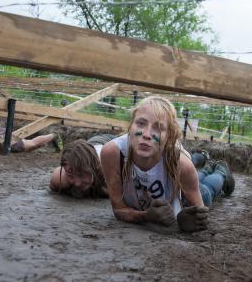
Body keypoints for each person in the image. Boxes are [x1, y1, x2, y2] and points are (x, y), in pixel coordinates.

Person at [100, 96, 235, 233]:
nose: (146, 134)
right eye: (141, 123)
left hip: (183, 196)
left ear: (169, 137)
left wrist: (184, 222)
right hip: (177, 181)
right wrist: (147, 216)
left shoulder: (181, 164)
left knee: (207, 191)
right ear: (130, 126)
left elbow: (198, 218)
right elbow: (118, 209)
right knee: (198, 176)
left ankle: (221, 171)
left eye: (158, 128)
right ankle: (206, 167)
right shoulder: (113, 153)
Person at [49, 135, 115, 199]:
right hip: (89, 147)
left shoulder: (108, 167)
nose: (77, 184)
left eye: (81, 175)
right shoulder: (60, 178)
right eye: (71, 176)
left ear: (93, 168)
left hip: (108, 140)